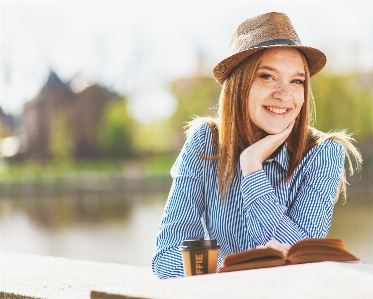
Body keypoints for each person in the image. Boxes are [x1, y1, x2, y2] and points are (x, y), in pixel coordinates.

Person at [152, 12, 362, 279]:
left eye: (296, 81)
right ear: (239, 84)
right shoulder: (205, 141)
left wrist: (252, 167)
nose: (284, 94)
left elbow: (298, 256)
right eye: (267, 76)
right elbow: (168, 255)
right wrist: (229, 270)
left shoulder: (324, 152)